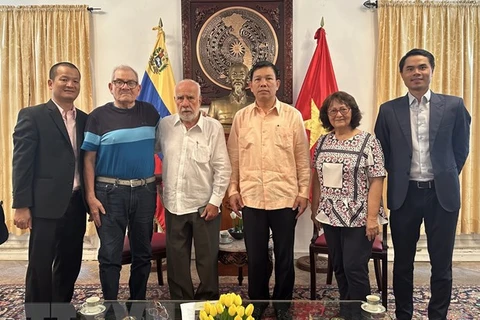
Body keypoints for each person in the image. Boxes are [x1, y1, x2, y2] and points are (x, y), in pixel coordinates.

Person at [374, 48, 471, 320]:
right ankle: (403, 314)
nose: (417, 72)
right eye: (410, 68)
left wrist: (445, 174)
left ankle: (437, 315)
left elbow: (460, 149)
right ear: (402, 75)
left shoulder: (453, 106)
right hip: (404, 197)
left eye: (422, 67)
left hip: (442, 196)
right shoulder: (388, 110)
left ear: (431, 70)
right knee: (402, 264)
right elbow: (383, 154)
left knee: (442, 264)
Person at [227, 61, 310, 320]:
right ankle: (259, 301)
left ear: (277, 84)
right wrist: (233, 190)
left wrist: (304, 192)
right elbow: (234, 158)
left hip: (285, 197)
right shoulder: (241, 118)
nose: (263, 83)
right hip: (251, 198)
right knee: (256, 256)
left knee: (285, 256)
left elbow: (302, 158)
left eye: (268, 79)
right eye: (258, 79)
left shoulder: (292, 116)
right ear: (250, 85)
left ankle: (283, 303)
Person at [12, 62, 88, 315]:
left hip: (76, 203)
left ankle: (60, 309)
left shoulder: (86, 119)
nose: (70, 85)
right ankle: (37, 313)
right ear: (50, 83)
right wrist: (21, 205)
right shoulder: (32, 115)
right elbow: (22, 162)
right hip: (44, 205)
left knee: (70, 263)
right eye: (64, 79)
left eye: (75, 80)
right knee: (40, 265)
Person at [82, 65, 160, 302]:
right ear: (111, 87)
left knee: (142, 254)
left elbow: (171, 132)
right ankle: (110, 306)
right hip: (109, 193)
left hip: (145, 191)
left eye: (130, 83)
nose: (124, 87)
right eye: (119, 82)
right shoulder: (98, 116)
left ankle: (137, 304)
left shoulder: (150, 112)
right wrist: (90, 197)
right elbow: (88, 159)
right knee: (109, 254)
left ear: (138, 88)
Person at [311, 91, 387, 310]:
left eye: (344, 109)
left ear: (352, 112)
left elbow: (377, 180)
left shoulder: (368, 141)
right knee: (340, 268)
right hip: (330, 216)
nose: (338, 114)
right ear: (327, 115)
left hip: (359, 216)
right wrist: (316, 210)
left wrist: (372, 218)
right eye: (333, 110)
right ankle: (348, 311)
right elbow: (317, 177)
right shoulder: (323, 141)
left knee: (354, 266)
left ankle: (362, 313)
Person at [156, 79, 231, 300]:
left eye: (191, 98)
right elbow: (147, 150)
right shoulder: (165, 126)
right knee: (177, 262)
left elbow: (222, 167)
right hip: (174, 205)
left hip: (204, 207)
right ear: (175, 101)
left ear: (200, 100)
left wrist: (215, 201)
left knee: (207, 262)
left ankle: (207, 303)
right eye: (180, 98)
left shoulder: (213, 127)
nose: (185, 103)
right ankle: (182, 306)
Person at [208, 62, 254, 133]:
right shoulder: (216, 105)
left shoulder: (255, 104)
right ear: (228, 79)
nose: (238, 78)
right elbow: (209, 132)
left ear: (247, 79)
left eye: (242, 74)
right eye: (234, 74)